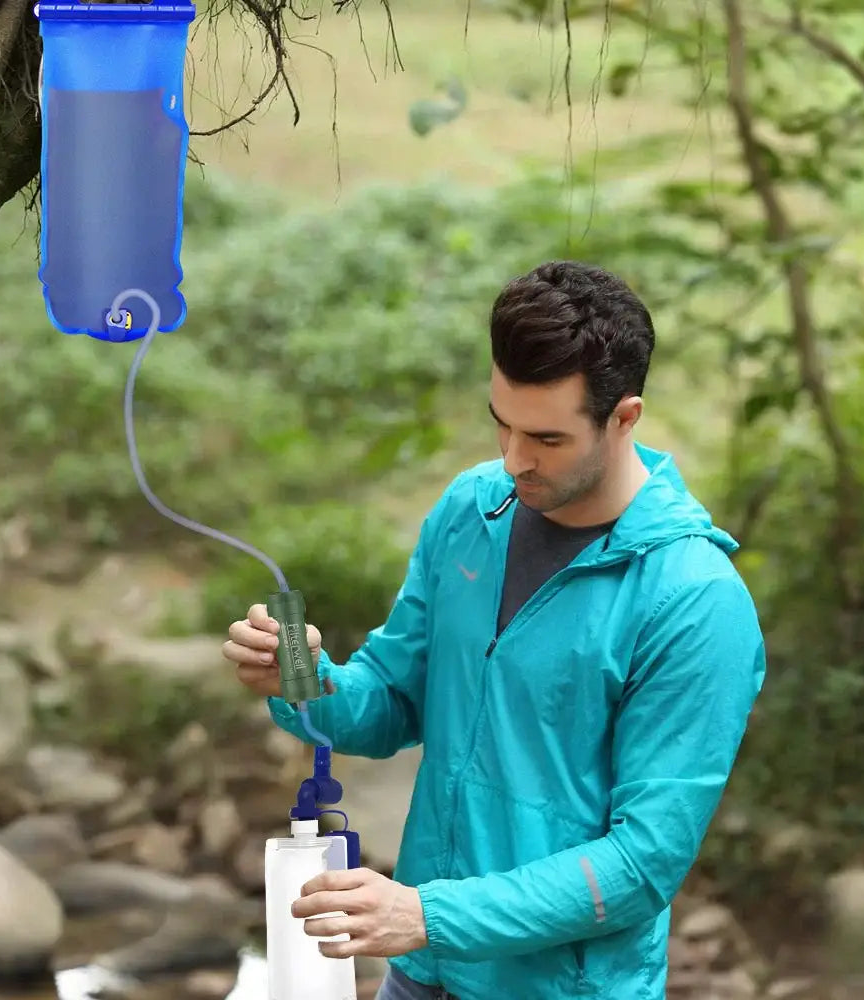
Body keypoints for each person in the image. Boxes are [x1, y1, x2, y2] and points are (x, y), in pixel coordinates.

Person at [222, 260, 766, 1000]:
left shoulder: (695, 601)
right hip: (420, 973)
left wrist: (426, 913)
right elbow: (391, 699)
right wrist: (303, 680)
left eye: (545, 438)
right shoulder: (472, 511)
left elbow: (641, 865)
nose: (513, 461)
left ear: (624, 417)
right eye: (500, 424)